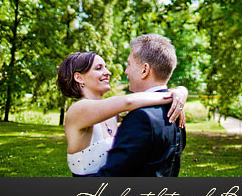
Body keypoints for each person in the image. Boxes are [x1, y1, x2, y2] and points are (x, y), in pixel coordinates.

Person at [56, 49, 187, 177]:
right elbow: (128, 101)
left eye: (106, 67)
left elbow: (141, 109)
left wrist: (181, 91)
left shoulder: (112, 114)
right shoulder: (78, 110)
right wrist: (172, 96)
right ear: (79, 77)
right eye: (99, 68)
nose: (108, 72)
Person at [95, 33, 186, 177]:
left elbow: (112, 176)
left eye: (129, 64)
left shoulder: (141, 117)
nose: (126, 71)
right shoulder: (176, 111)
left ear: (144, 70)